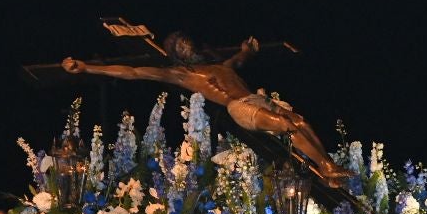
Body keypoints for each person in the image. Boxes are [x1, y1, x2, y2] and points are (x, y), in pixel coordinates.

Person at [63, 33, 348, 186]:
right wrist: (88, 67)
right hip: (241, 107)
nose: (188, 48)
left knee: (299, 121)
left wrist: (248, 48)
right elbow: (133, 71)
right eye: (181, 47)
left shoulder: (219, 67)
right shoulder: (183, 75)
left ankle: (328, 167)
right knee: (287, 125)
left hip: (258, 99)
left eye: (188, 43)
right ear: (177, 56)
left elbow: (240, 58)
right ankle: (326, 166)